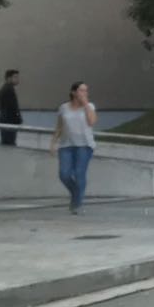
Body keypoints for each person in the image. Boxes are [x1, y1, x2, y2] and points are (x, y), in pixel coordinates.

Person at [50, 81, 98, 215]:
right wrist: (53, 142)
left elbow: (92, 122)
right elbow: (59, 126)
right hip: (66, 145)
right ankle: (77, 194)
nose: (84, 93)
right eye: (82, 91)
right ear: (73, 92)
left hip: (84, 145)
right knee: (64, 174)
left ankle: (76, 204)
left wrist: (86, 105)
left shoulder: (90, 106)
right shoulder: (64, 107)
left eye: (86, 91)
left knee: (79, 173)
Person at [0, 69, 22, 146]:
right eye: (15, 77)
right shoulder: (8, 90)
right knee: (9, 145)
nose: (17, 79)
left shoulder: (5, 89)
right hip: (8, 122)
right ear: (9, 78)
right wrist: (18, 118)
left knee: (6, 144)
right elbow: (12, 107)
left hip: (6, 121)